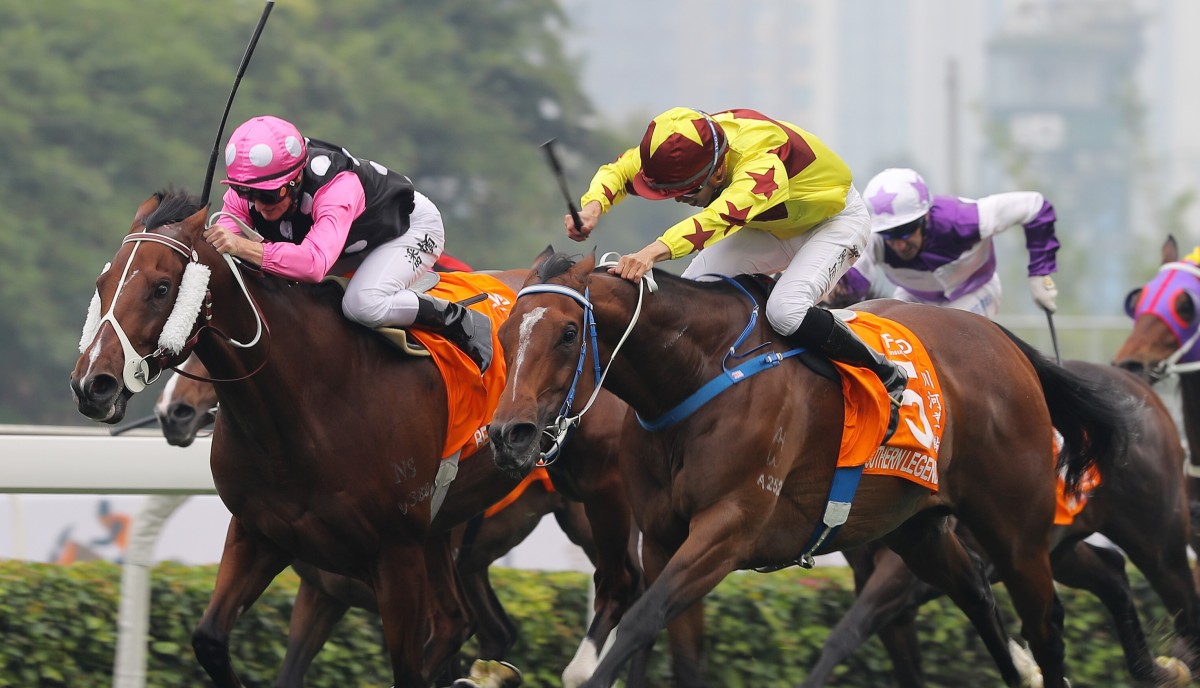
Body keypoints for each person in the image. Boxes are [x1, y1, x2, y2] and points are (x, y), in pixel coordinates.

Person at [565, 106, 907, 413]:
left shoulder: (762, 163)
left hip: (833, 223)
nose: (680, 201)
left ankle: (883, 372)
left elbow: (718, 220)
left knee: (785, 312)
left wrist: (652, 251)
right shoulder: (689, 144)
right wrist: (593, 207)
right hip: (774, 223)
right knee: (696, 292)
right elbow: (621, 170)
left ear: (717, 174)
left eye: (685, 193)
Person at [203, 115, 492, 372]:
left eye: (268, 196)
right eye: (247, 193)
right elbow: (228, 258)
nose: (257, 204)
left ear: (296, 179)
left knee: (363, 304)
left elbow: (313, 265)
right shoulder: (249, 191)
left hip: (408, 229)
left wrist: (242, 247)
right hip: (345, 242)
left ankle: (459, 319)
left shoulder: (337, 186)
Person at [835, 167, 1059, 320]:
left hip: (975, 290)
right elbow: (852, 288)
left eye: (905, 231)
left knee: (953, 343)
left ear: (926, 217)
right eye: (888, 234)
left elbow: (1035, 207)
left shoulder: (963, 219)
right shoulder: (874, 237)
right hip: (913, 297)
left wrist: (1040, 274)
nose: (899, 245)